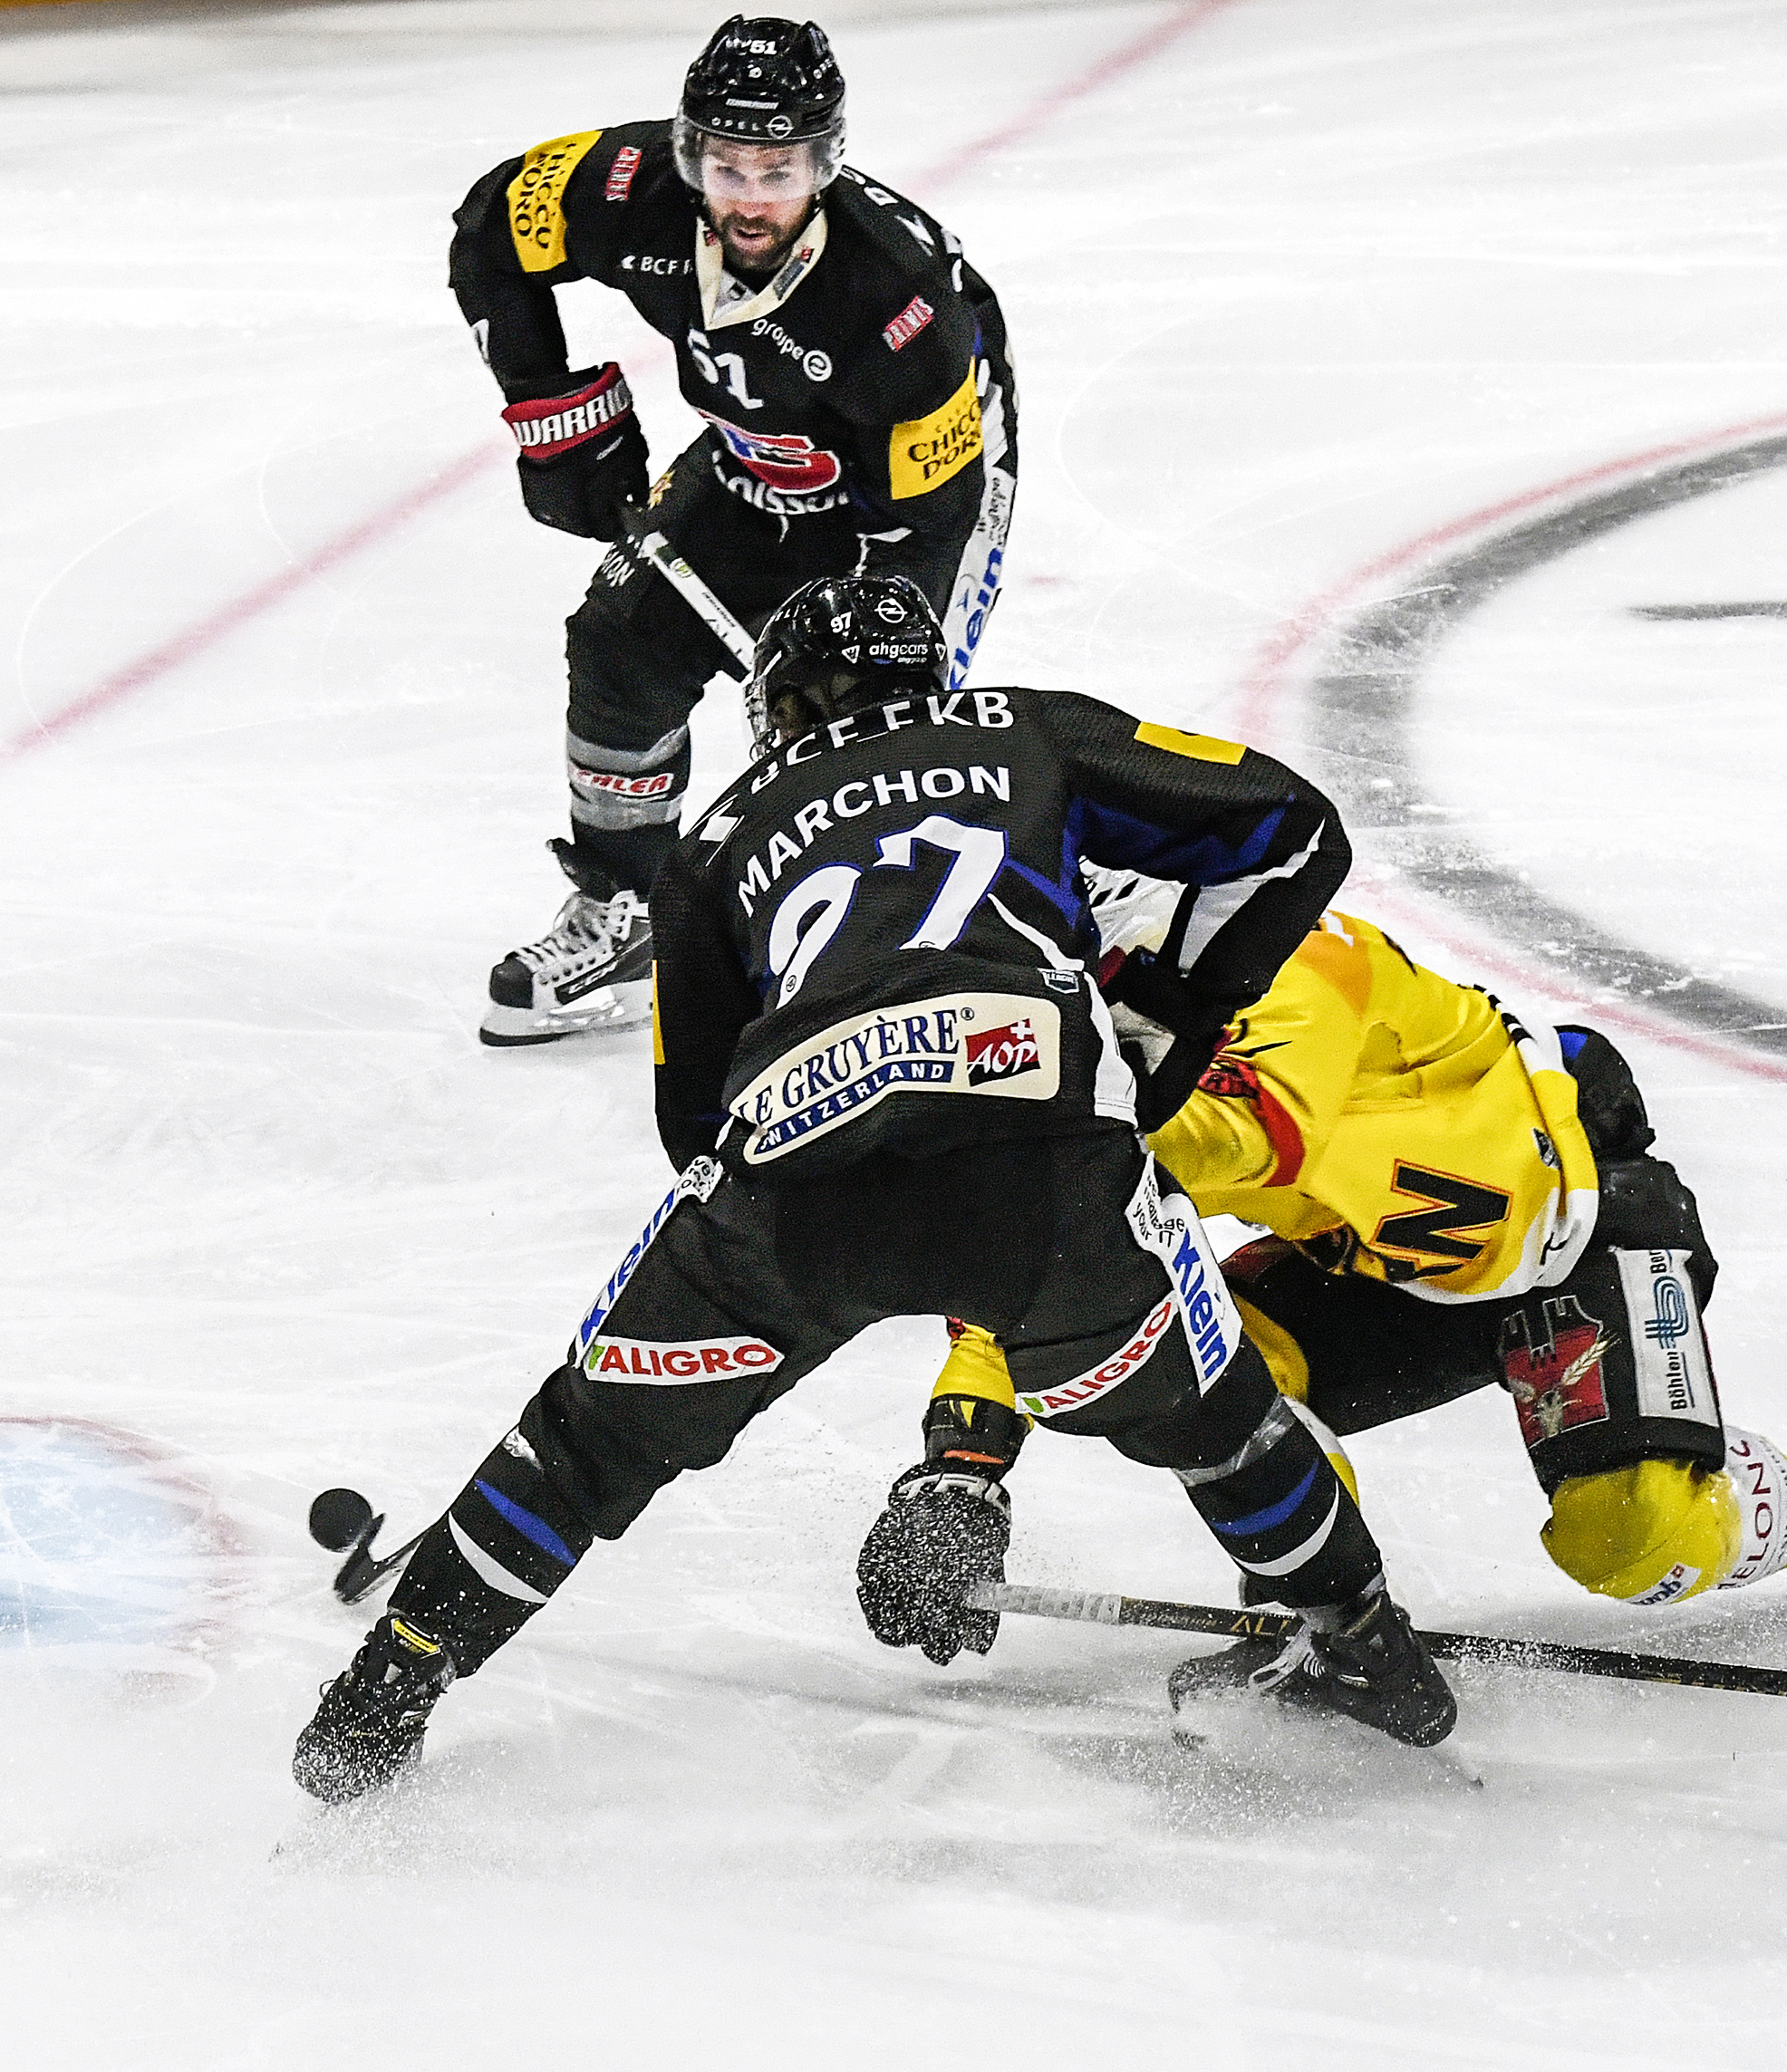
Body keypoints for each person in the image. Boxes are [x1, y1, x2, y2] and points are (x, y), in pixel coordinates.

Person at [294, 576, 1453, 1805]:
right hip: (1039, 1163)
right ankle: (1366, 1642)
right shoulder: (1022, 728)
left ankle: (381, 1692)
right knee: (1221, 1420)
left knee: (581, 1446)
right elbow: (1294, 828)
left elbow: (690, 1123)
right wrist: (1171, 1012)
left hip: (794, 1185)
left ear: (781, 702)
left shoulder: (714, 837)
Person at [855, 889, 1775, 1689]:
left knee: (1634, 1543)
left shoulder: (1294, 967)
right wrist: (958, 1472)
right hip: (1370, 1274)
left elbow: (1251, 1133)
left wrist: (1037, 1161)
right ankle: (1316, 1616)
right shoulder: (1118, 1043)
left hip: (1576, 1227)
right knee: (1187, 1377)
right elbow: (1036, 1282)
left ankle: (1735, 1481)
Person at [452, 14, 1016, 1044]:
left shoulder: (897, 307)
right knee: (623, 646)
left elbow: (924, 522)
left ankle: (875, 944)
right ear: (688, 153)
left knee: (859, 710)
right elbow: (491, 229)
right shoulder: (625, 187)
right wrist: (552, 413)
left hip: (918, 483)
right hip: (757, 449)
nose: (751, 199)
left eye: (779, 170)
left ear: (824, 163)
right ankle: (627, 907)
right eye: (727, 167)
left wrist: (846, 638)